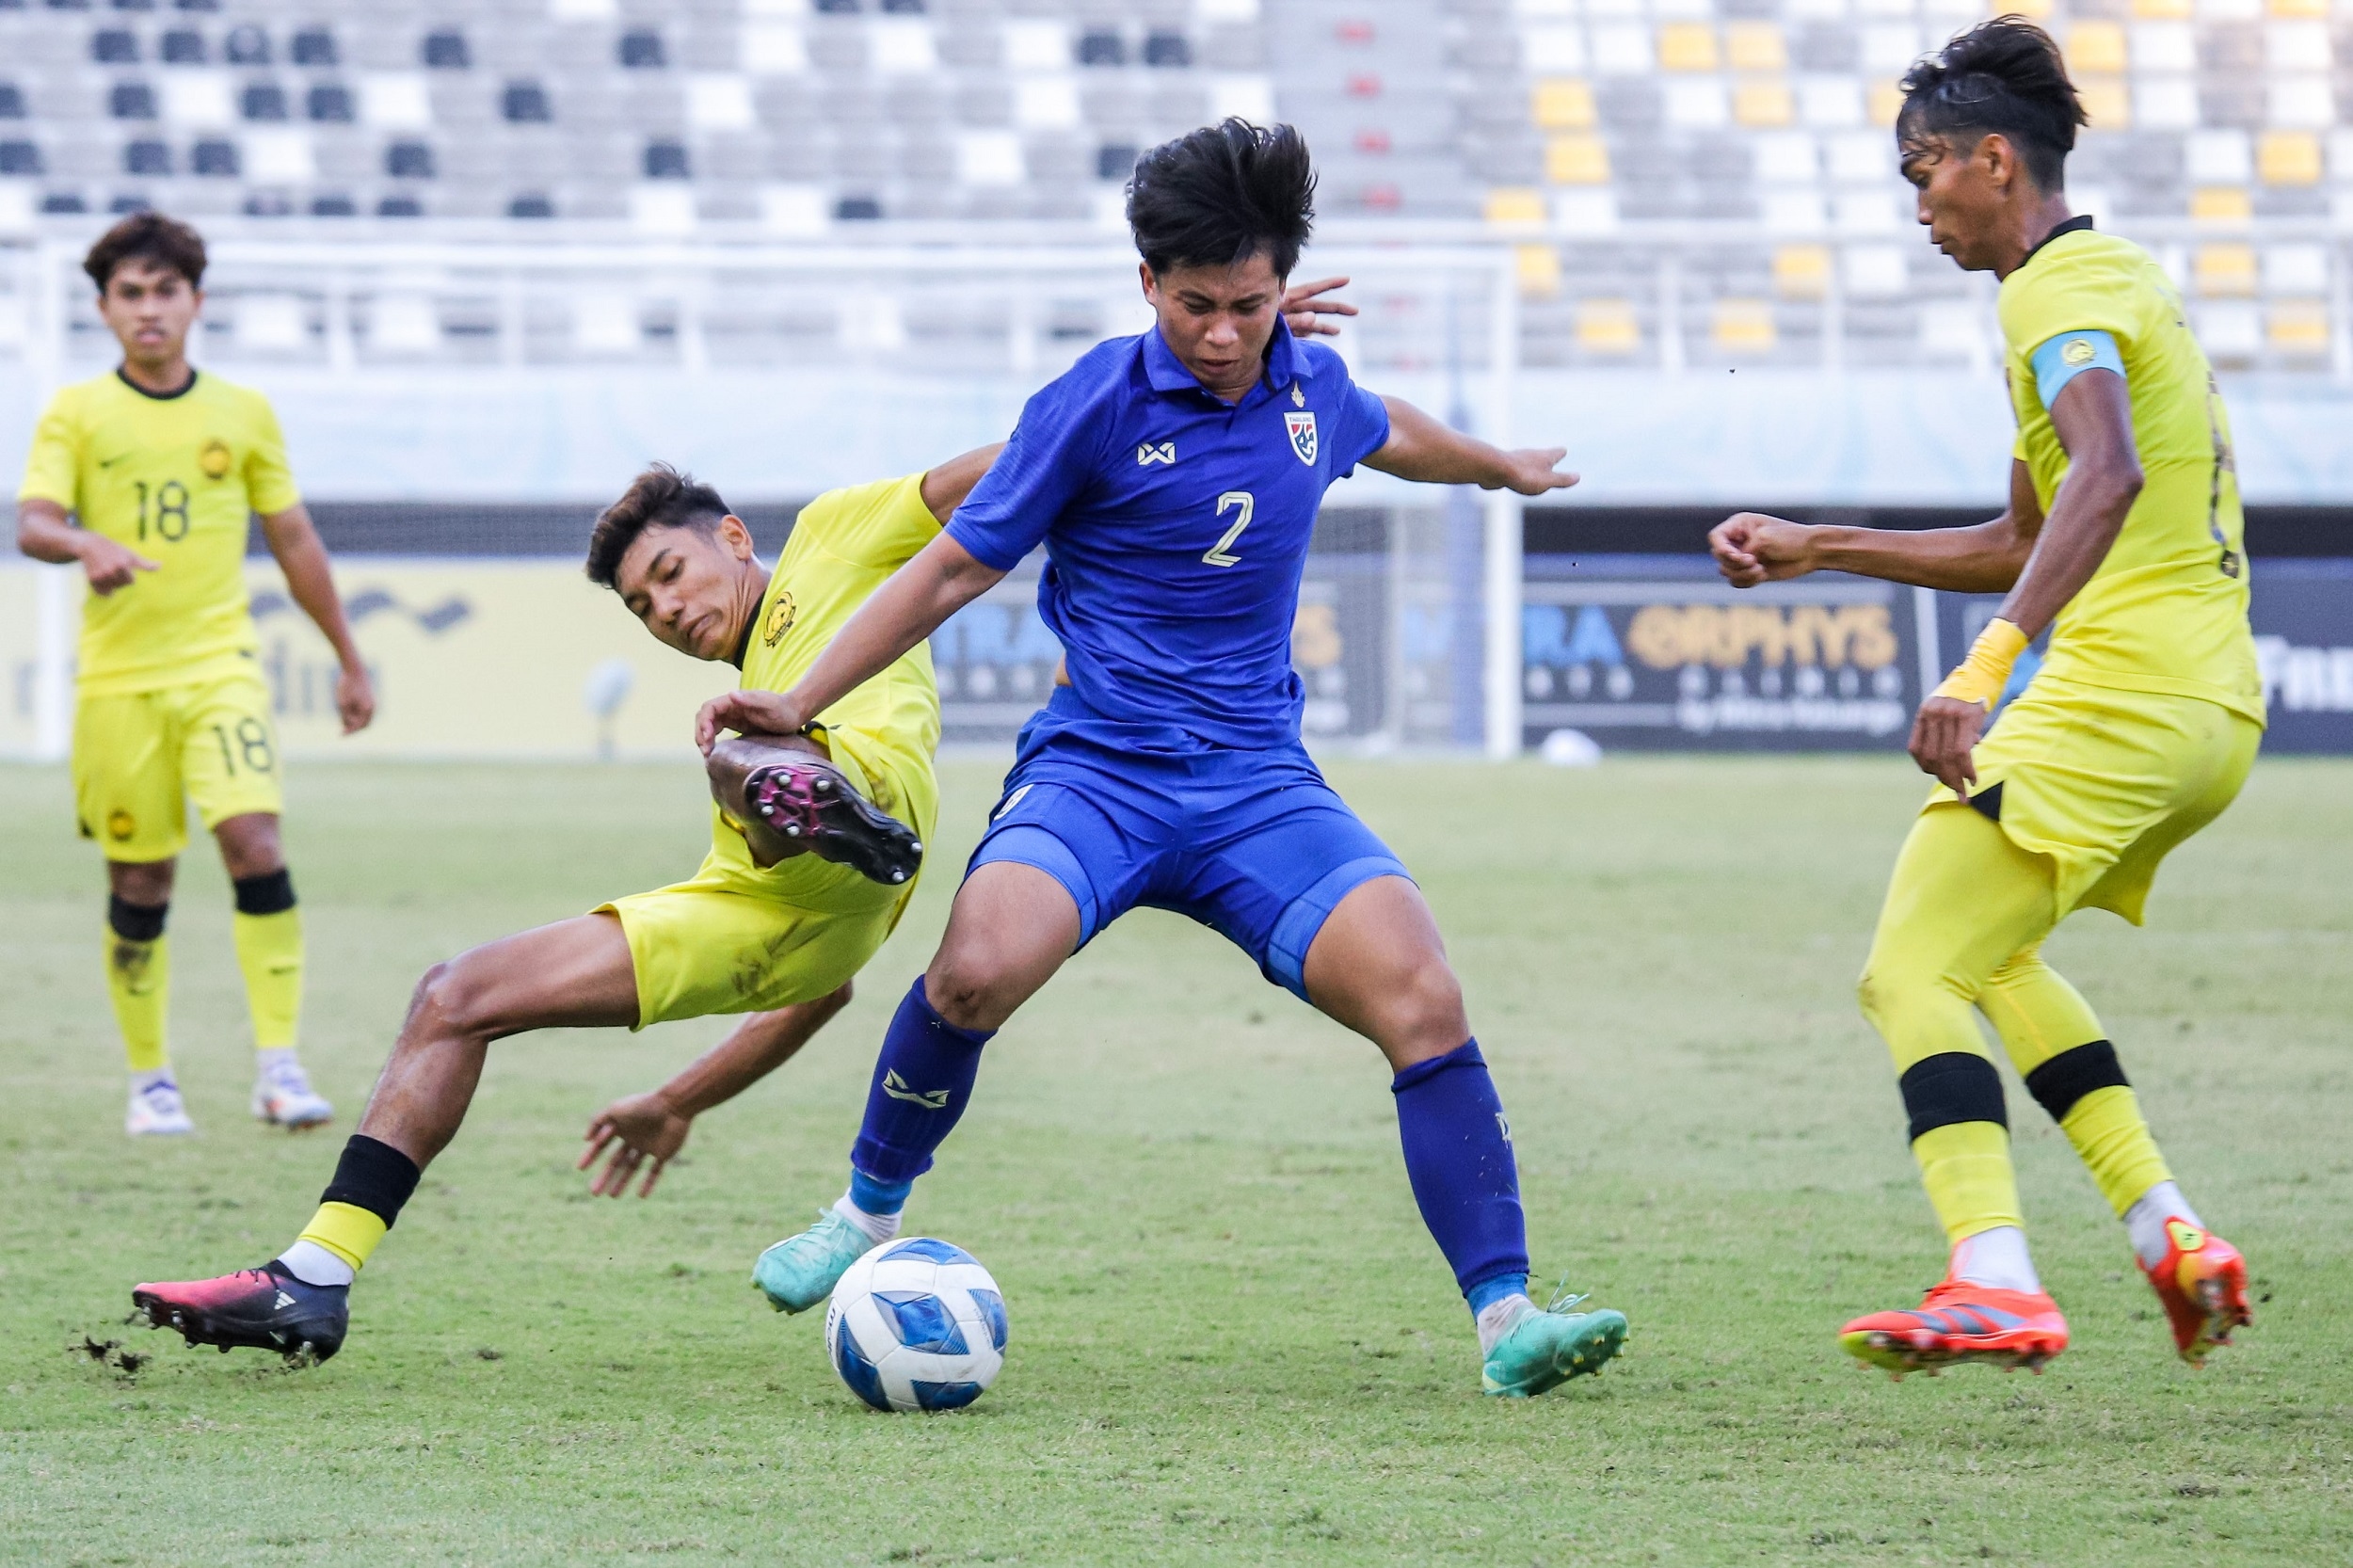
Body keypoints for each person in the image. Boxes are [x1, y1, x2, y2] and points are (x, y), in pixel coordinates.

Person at [125, 275, 1365, 1364]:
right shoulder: (729, 713)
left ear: (731, 535)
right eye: (642, 608)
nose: (663, 609)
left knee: (737, 732)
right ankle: (314, 1277)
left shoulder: (839, 530)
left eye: (669, 573)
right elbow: (813, 991)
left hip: (864, 780)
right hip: (774, 901)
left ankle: (818, 792)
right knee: (457, 990)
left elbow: (1033, 447)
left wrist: (1206, 357)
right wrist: (683, 1098)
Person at [710, 120, 1626, 1400]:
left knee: (1424, 998)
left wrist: (1496, 468)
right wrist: (797, 695)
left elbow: (1387, 426)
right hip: (1099, 773)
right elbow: (951, 568)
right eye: (1194, 304)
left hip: (1258, 786)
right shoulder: (1090, 403)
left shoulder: (1305, 378)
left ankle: (1508, 1316)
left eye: (1248, 304)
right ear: (1147, 286)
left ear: (1280, 285)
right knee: (973, 972)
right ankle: (864, 1214)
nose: (1221, 330)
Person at [1708, 19, 2261, 1378]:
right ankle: (2168, 1230)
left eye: (1922, 172)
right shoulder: (2112, 279)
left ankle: (1996, 1274)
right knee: (1992, 958)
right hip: (2209, 709)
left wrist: (1981, 667)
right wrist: (1820, 544)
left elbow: (2108, 472)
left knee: (1908, 968)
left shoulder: (2046, 295)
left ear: (1992, 160)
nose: (1917, 205)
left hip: (2122, 692)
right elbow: (2030, 530)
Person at [15, 213, 374, 1138]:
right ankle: (151, 1079)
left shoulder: (243, 413)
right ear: (103, 309)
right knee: (142, 883)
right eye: (129, 294)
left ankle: (279, 1065)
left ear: (195, 302)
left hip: (221, 668)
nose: (149, 310)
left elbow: (292, 539)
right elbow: (33, 523)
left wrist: (347, 655)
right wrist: (85, 541)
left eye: (165, 291)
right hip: (119, 685)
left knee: (256, 843)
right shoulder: (76, 412)